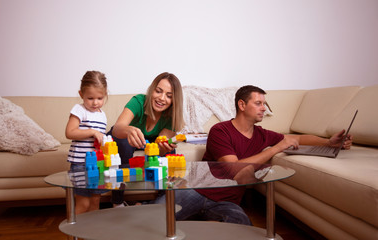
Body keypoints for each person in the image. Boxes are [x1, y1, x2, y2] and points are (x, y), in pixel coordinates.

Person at [154, 85, 353, 225]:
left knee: (242, 225)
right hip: (196, 191)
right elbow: (234, 167)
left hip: (227, 202)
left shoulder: (262, 134)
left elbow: (297, 138)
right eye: (258, 103)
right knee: (152, 219)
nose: (263, 108)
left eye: (264, 103)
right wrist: (275, 149)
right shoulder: (220, 130)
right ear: (242, 105)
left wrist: (328, 142)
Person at [108, 72, 184, 207]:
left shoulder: (172, 116)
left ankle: (158, 203)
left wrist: (162, 150)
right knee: (123, 145)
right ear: (152, 90)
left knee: (169, 154)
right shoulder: (138, 101)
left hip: (148, 141)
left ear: (174, 100)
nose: (161, 98)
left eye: (169, 96)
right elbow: (117, 128)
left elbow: (158, 150)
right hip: (124, 135)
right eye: (158, 91)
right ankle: (117, 202)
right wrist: (130, 130)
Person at [65, 70, 109, 214]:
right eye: (90, 98)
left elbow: (100, 141)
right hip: (80, 164)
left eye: (100, 98)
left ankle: (91, 232)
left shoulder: (102, 116)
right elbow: (70, 132)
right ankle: (76, 234)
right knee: (83, 202)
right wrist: (92, 132)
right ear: (81, 94)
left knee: (96, 201)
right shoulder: (79, 110)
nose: (95, 102)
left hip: (97, 164)